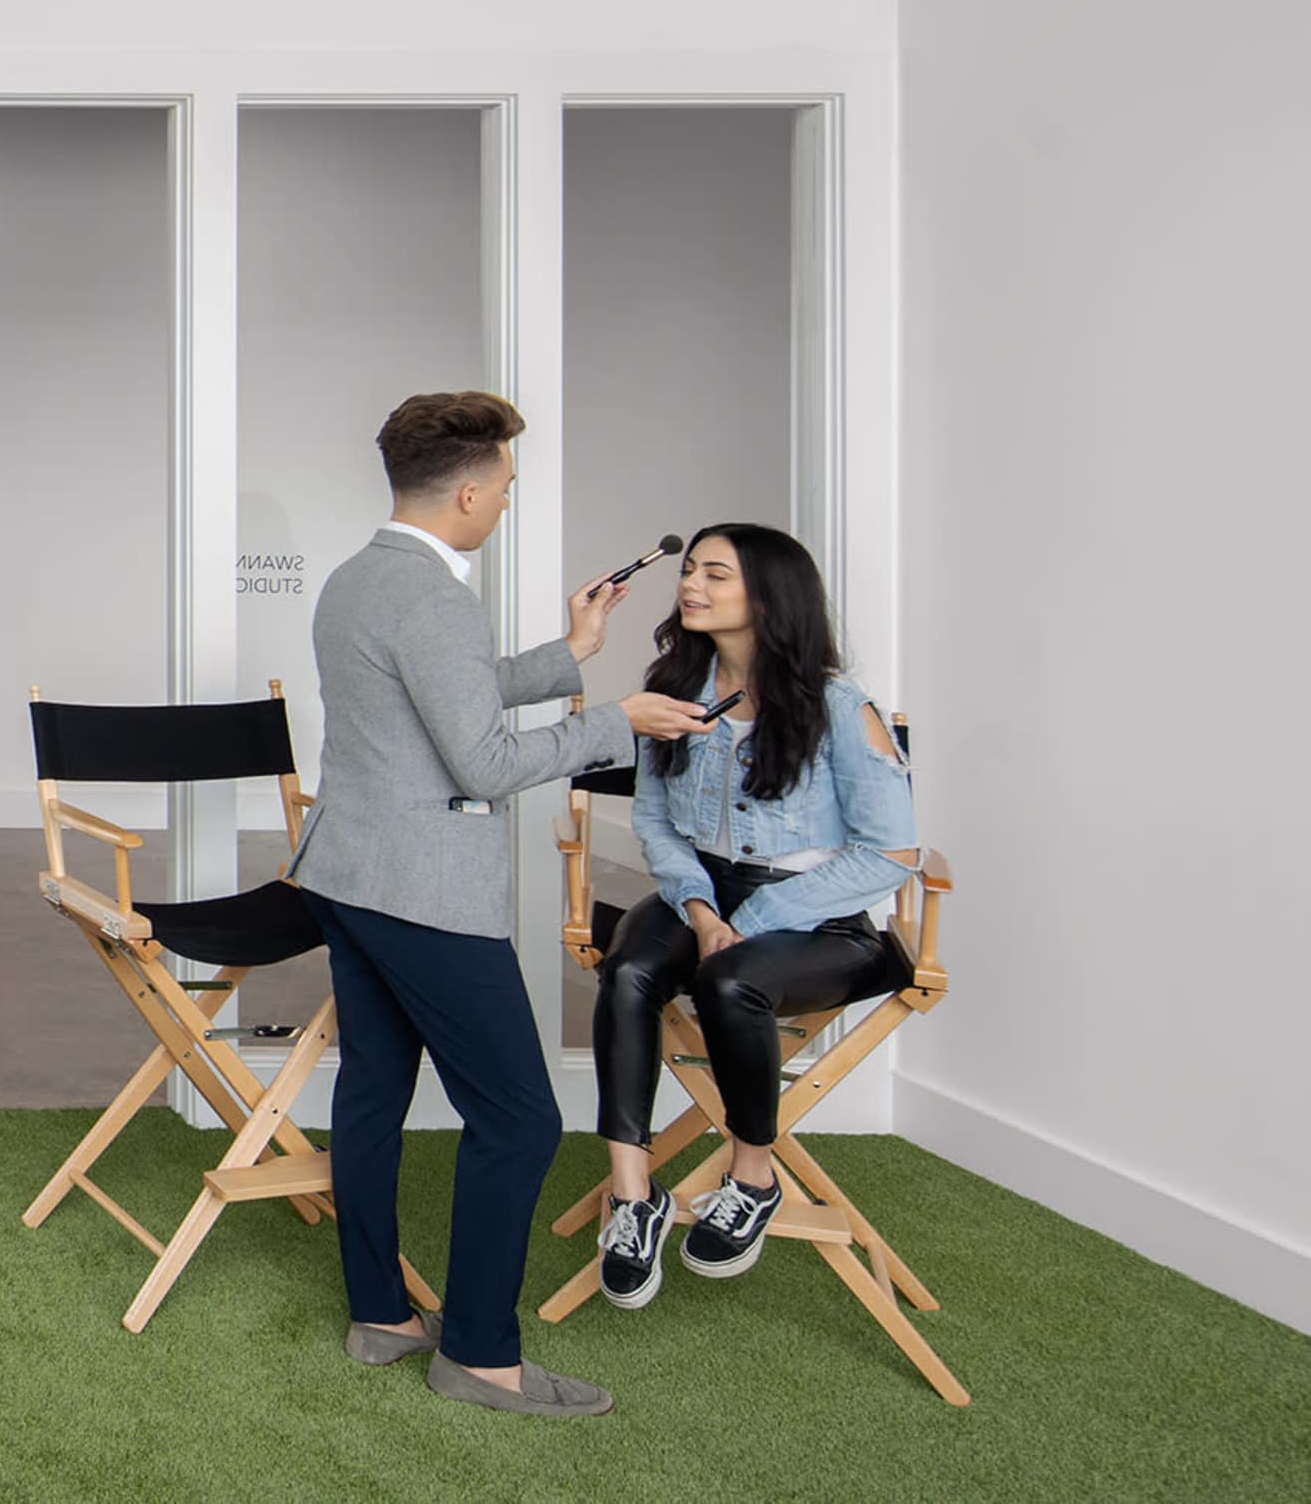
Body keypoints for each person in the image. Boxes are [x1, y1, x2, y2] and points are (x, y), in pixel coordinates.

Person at [286, 394, 714, 1418]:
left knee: (376, 1083)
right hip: (422, 888)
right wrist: (618, 719)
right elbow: (480, 754)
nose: (508, 504)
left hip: (349, 871)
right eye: (509, 488)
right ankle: (478, 1351)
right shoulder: (433, 597)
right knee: (520, 1115)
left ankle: (381, 1311)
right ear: (471, 490)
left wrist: (572, 648)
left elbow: (446, 694)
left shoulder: (358, 578)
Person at [587, 524, 917, 1309]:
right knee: (629, 967)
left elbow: (893, 853)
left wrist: (760, 911)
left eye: (715, 574)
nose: (691, 585)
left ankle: (753, 1175)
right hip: (700, 891)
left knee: (732, 978)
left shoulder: (840, 705)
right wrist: (701, 907)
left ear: (768, 598)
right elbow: (658, 822)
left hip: (820, 916)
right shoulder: (673, 687)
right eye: (690, 570)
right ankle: (633, 1196)